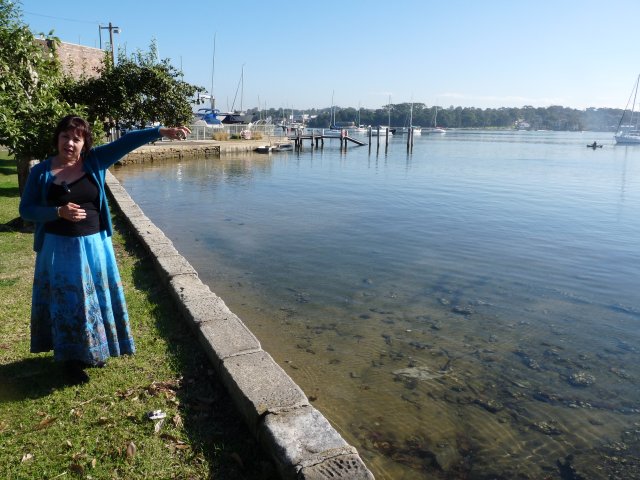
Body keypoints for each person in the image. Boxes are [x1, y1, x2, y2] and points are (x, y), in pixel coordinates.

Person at [19, 115, 190, 382]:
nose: (70, 143)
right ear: (57, 139)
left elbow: (127, 141)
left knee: (94, 299)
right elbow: (26, 209)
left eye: (77, 138)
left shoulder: (95, 161)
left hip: (96, 245)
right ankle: (71, 360)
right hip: (58, 249)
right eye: (65, 137)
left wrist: (161, 131)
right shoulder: (41, 171)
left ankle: (94, 349)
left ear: (85, 142)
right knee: (69, 303)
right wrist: (57, 212)